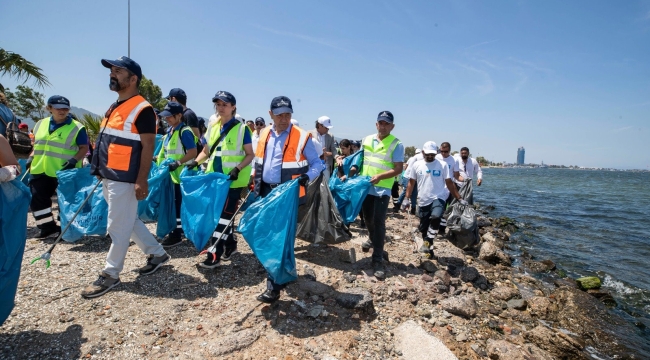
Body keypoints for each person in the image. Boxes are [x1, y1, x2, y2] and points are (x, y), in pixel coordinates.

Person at [85, 56, 170, 298]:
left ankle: (110, 274)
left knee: (118, 225)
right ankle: (157, 253)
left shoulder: (142, 109)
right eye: (112, 70)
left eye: (118, 71)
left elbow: (148, 146)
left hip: (125, 178)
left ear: (133, 79)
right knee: (127, 220)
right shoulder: (114, 107)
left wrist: (142, 179)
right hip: (110, 175)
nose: (112, 73)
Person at [252, 96, 322, 303]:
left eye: (288, 114)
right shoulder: (264, 133)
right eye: (280, 114)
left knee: (279, 238)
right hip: (265, 191)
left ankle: (273, 285)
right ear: (270, 114)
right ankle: (286, 272)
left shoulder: (302, 136)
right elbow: (259, 162)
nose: (284, 118)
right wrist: (253, 182)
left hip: (287, 193)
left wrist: (306, 177)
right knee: (269, 233)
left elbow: (318, 164)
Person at [187, 91, 254, 269]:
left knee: (223, 217)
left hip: (232, 181)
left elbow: (250, 155)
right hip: (214, 179)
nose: (221, 107)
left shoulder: (242, 129)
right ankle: (230, 244)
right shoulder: (213, 127)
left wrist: (237, 169)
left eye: (225, 104)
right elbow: (206, 151)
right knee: (220, 215)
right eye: (218, 104)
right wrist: (194, 162)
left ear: (233, 107)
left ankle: (214, 254)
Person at [27, 95, 88, 238]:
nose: (62, 111)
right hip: (40, 168)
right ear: (49, 108)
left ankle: (66, 229)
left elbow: (84, 148)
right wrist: (31, 156)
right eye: (58, 108)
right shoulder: (40, 124)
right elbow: (36, 144)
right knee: (37, 198)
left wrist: (74, 160)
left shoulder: (77, 127)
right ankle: (47, 228)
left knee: (65, 201)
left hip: (65, 171)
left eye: (65, 108)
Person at [359, 111, 404, 279]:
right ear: (376, 124)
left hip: (382, 189)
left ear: (392, 126)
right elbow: (360, 159)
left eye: (387, 123)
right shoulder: (367, 139)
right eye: (381, 123)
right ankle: (373, 239)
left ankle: (377, 259)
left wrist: (380, 177)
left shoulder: (396, 144)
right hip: (365, 186)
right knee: (367, 219)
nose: (383, 126)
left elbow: (398, 168)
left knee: (378, 222)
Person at [404, 141, 465, 258]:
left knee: (436, 217)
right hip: (423, 200)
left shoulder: (442, 165)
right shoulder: (417, 165)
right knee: (423, 228)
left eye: (433, 154)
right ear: (423, 153)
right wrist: (406, 198)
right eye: (428, 154)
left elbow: (449, 183)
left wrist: (459, 198)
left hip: (439, 197)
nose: (430, 156)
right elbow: (411, 183)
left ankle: (428, 241)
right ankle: (429, 249)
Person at [156, 102, 198, 248]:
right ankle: (177, 231)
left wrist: (178, 163)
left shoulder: (184, 131)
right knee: (174, 205)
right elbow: (166, 152)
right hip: (170, 176)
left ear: (179, 116)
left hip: (181, 176)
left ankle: (177, 234)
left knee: (179, 205)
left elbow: (193, 152)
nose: (166, 119)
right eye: (165, 116)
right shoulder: (170, 131)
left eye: (169, 116)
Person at [435, 142, 456, 235]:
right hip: (437, 188)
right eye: (441, 151)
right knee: (437, 209)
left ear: (449, 151)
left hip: (448, 188)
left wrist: (464, 180)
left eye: (446, 151)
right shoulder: (436, 158)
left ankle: (442, 229)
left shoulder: (454, 160)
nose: (443, 153)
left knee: (446, 209)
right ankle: (434, 227)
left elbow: (456, 175)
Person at [395, 148, 422, 213]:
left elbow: (406, 167)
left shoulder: (412, 158)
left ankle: (398, 205)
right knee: (413, 193)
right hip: (411, 177)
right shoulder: (421, 157)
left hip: (409, 176)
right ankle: (413, 208)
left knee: (406, 191)